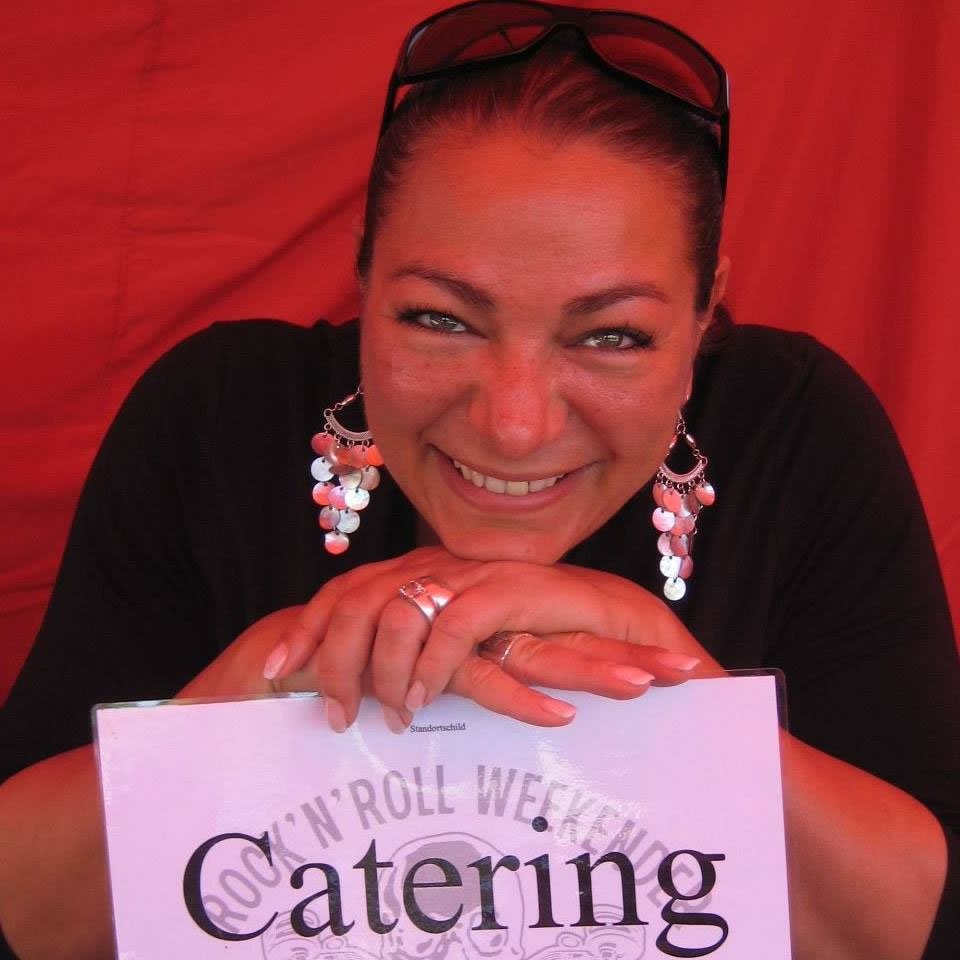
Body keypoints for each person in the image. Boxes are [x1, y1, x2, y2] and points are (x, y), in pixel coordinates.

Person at [0, 2, 957, 958]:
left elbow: (924, 922)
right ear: (365, 276)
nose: (514, 422)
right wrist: (264, 679)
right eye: (441, 320)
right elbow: (25, 911)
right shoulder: (219, 415)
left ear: (705, 313)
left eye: (612, 336)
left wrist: (667, 677)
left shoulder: (797, 428)